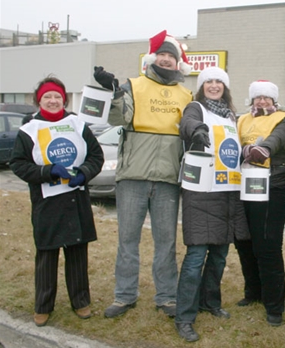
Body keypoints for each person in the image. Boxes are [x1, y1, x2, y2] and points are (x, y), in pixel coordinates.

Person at [93, 30, 193, 319]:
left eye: (171, 57)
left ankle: (167, 297)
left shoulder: (187, 95)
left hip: (167, 179)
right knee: (128, 241)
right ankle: (124, 296)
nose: (165, 59)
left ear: (178, 64)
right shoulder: (133, 86)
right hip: (132, 178)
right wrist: (113, 91)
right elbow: (117, 119)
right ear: (154, 58)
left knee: (166, 242)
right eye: (161, 55)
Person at [10, 76, 103, 326]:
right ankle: (43, 305)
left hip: (75, 199)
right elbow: (18, 164)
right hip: (47, 203)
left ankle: (81, 301)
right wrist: (47, 171)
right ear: (39, 100)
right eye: (47, 97)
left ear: (64, 99)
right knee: (47, 256)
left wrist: (84, 173)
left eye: (57, 97)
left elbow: (96, 156)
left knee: (77, 253)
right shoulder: (28, 129)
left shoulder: (76, 124)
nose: (53, 101)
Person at [174, 67, 250, 342]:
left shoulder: (231, 115)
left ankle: (209, 301)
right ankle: (184, 316)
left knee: (219, 255)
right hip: (202, 190)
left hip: (227, 190)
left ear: (225, 87)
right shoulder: (195, 108)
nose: (214, 85)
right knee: (196, 257)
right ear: (202, 85)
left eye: (219, 81)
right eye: (209, 81)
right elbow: (187, 123)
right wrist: (196, 132)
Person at [235, 80, 285, 326]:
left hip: (272, 187)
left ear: (274, 100)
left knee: (267, 245)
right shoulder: (242, 120)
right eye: (257, 97)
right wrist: (244, 150)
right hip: (243, 185)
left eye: (266, 97)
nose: (262, 101)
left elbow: (279, 138)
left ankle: (274, 305)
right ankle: (254, 293)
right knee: (244, 242)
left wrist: (263, 149)